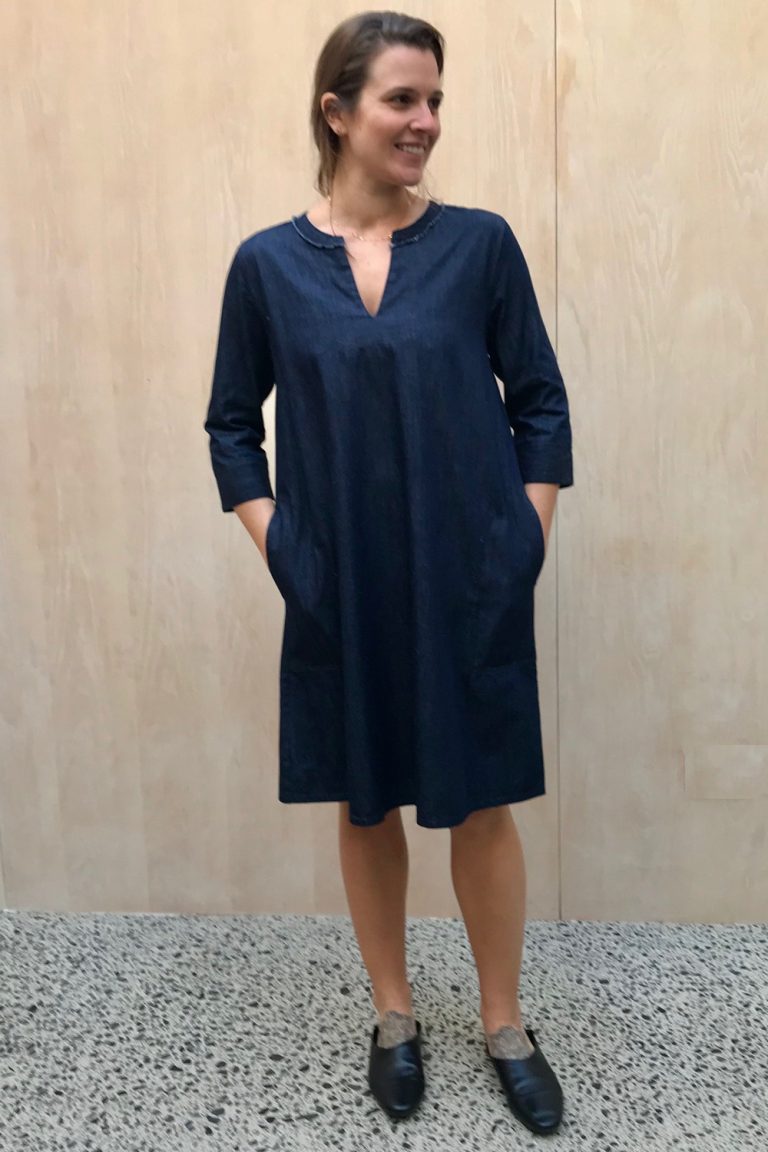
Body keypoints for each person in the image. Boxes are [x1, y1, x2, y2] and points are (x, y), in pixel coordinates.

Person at [204, 9, 573, 1137]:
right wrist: (286, 550)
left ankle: (504, 1025)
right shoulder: (269, 266)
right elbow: (231, 427)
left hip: (470, 576)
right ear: (338, 111)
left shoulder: (481, 247)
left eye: (435, 101)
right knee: (366, 800)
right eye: (402, 99)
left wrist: (522, 543)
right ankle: (395, 1016)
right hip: (342, 583)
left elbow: (541, 403)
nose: (426, 121)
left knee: (481, 800)